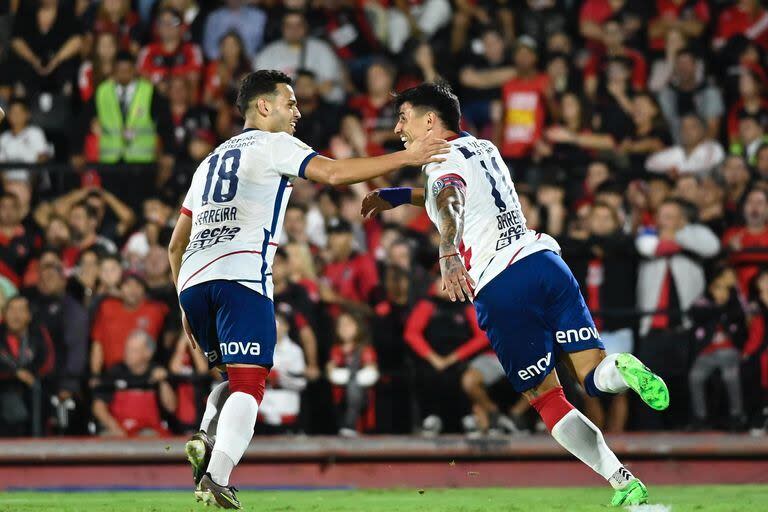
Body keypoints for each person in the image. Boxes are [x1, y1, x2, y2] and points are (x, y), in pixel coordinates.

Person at [361, 82, 671, 506]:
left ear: (429, 120)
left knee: (546, 398)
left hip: (501, 283)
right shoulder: (484, 147)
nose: (398, 128)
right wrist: (397, 196)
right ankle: (624, 367)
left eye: (403, 117)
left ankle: (622, 480)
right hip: (545, 262)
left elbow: (449, 199)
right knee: (595, 377)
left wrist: (448, 249)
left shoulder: (438, 161)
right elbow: (452, 198)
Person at [167, 69, 448, 508]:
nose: (297, 111)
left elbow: (174, 244)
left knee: (229, 377)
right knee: (250, 384)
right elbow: (333, 174)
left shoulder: (209, 161)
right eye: (290, 102)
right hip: (241, 276)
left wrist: (183, 298)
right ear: (264, 106)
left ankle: (206, 433)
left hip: (193, 281)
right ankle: (216, 478)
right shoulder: (273, 143)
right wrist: (406, 158)